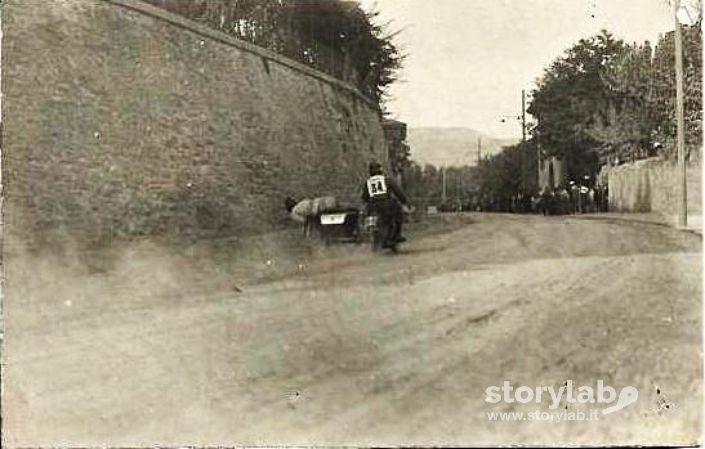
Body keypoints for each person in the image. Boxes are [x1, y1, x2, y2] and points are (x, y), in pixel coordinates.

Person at [361, 161, 410, 245]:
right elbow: (397, 191)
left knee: (369, 218)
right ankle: (397, 234)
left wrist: (367, 203)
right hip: (386, 204)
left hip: (372, 205)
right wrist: (404, 201)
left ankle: (371, 236)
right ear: (380, 170)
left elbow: (364, 196)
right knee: (399, 213)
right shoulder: (386, 179)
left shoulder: (367, 182)